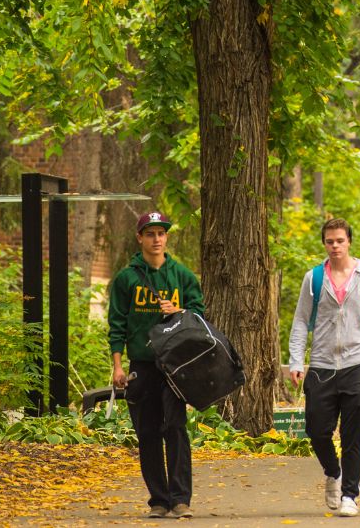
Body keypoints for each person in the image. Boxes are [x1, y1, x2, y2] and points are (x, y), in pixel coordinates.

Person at [288, 217, 360, 519]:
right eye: (329, 241)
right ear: (324, 244)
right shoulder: (314, 278)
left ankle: (350, 494)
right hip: (321, 366)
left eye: (340, 240)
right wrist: (296, 359)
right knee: (317, 431)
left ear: (349, 241)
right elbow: (300, 320)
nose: (335, 246)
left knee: (352, 437)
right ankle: (332, 473)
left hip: (357, 365)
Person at [108, 210, 205, 519]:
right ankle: (159, 501)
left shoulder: (182, 275)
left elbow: (199, 317)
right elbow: (116, 325)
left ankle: (180, 500)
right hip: (141, 364)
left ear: (166, 237)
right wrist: (118, 366)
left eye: (161, 233)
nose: (156, 239)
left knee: (175, 428)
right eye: (150, 233)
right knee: (147, 432)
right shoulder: (127, 278)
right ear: (140, 238)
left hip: (173, 365)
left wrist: (178, 309)